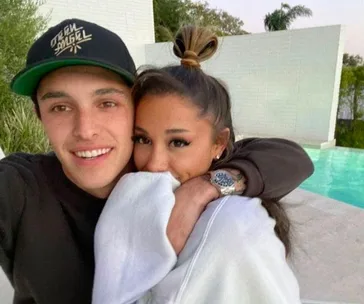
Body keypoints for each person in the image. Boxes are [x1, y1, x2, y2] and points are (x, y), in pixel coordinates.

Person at [0, 18, 312, 304]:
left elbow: (290, 156)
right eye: (60, 108)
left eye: (106, 103)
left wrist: (204, 188)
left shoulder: (174, 176)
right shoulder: (19, 188)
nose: (86, 130)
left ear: (132, 107)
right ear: (39, 115)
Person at [92, 25, 302, 304]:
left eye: (178, 142)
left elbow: (293, 157)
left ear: (218, 143)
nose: (154, 164)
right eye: (141, 138)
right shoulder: (124, 182)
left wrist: (203, 189)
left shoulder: (236, 222)